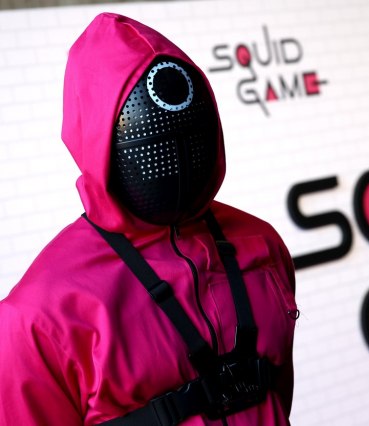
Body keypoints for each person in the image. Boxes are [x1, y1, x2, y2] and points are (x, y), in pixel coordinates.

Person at [0, 12, 297, 426]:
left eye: (189, 134)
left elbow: (277, 395)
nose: (174, 155)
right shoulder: (39, 315)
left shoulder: (260, 244)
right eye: (152, 143)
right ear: (98, 140)